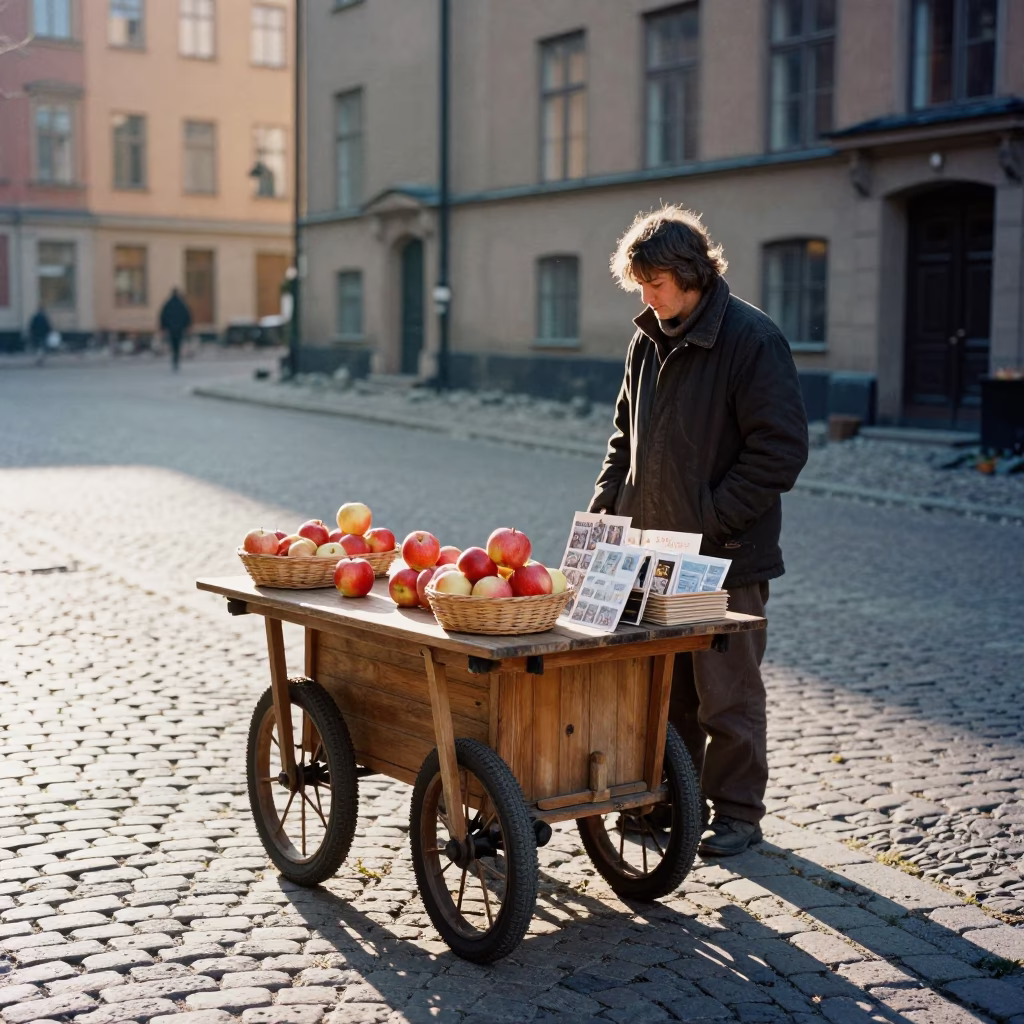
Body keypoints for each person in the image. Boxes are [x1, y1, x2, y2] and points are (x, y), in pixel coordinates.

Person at [591, 205, 809, 856]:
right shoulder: (644, 338)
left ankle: (739, 815)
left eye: (656, 284)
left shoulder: (752, 339)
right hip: (656, 553)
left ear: (691, 275)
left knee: (727, 696)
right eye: (640, 286)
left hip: (725, 558)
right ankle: (664, 805)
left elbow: (780, 450)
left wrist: (711, 520)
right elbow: (623, 438)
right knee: (665, 694)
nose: (648, 297)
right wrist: (605, 513)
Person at [159, 288, 193, 371]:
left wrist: (163, 327)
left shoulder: (168, 304)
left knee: (173, 343)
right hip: (180, 328)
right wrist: (187, 326)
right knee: (178, 344)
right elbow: (187, 315)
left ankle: (174, 358)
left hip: (171, 328)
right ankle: (176, 358)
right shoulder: (182, 304)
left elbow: (163, 316)